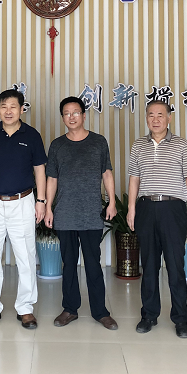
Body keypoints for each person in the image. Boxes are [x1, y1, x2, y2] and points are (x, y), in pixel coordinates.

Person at [0, 89, 47, 330]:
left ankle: (25, 308)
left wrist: (41, 201)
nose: (8, 111)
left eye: (13, 106)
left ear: (22, 109)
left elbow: (40, 170)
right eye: (3, 106)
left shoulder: (32, 135)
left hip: (23, 202)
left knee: (26, 258)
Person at [44, 96, 119, 330]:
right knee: (68, 265)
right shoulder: (57, 145)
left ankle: (100, 312)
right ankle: (70, 309)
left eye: (75, 112)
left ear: (84, 115)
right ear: (62, 118)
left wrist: (112, 202)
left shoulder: (98, 142)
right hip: (65, 213)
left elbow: (107, 173)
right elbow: (52, 178)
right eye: (67, 113)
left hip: (91, 213)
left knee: (93, 264)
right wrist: (48, 207)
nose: (71, 117)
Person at [127, 99, 187, 338]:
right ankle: (149, 315)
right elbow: (134, 179)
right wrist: (131, 209)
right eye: (151, 115)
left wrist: (177, 195)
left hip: (172, 210)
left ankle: (181, 318)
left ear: (169, 118)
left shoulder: (181, 144)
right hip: (146, 208)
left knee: (175, 265)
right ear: (146, 118)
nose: (155, 119)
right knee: (149, 265)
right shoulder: (138, 145)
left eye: (160, 115)